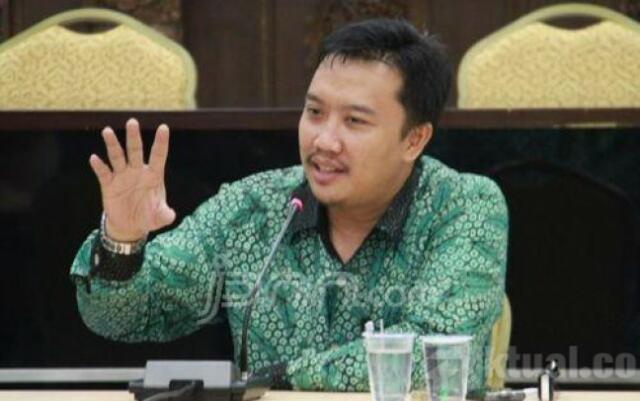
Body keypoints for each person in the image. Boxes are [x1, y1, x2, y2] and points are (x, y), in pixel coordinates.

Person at [70, 18, 508, 393]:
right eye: (314, 113)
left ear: (414, 139)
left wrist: (272, 379)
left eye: (354, 121)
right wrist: (122, 242)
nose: (324, 140)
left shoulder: (465, 207)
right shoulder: (253, 208)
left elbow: (436, 356)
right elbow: (122, 317)